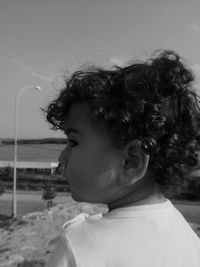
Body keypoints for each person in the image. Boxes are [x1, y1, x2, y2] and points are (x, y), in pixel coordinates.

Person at [45, 50, 200, 267]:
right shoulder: (188, 238)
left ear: (131, 163)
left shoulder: (79, 248)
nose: (62, 157)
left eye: (73, 142)